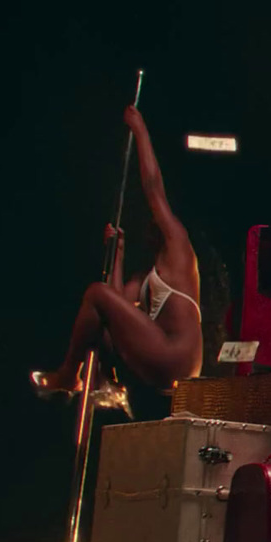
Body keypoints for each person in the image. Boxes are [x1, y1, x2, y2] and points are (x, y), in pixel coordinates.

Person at [31, 105, 203, 398]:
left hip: (175, 358)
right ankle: (101, 381)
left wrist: (139, 129)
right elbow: (115, 306)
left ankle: (69, 375)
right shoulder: (146, 274)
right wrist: (119, 253)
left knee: (95, 292)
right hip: (162, 360)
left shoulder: (177, 241)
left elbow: (153, 187)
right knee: (101, 315)